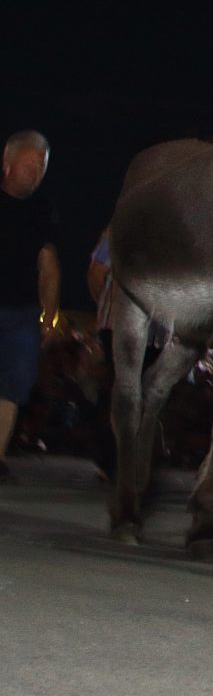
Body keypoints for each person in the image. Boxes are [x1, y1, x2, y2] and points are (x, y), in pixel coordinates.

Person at [1, 131, 60, 484]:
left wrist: (49, 316)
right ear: (7, 164)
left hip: (22, 312)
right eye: (29, 165)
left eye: (41, 167)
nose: (35, 173)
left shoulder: (43, 209)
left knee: (13, 385)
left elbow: (49, 264)